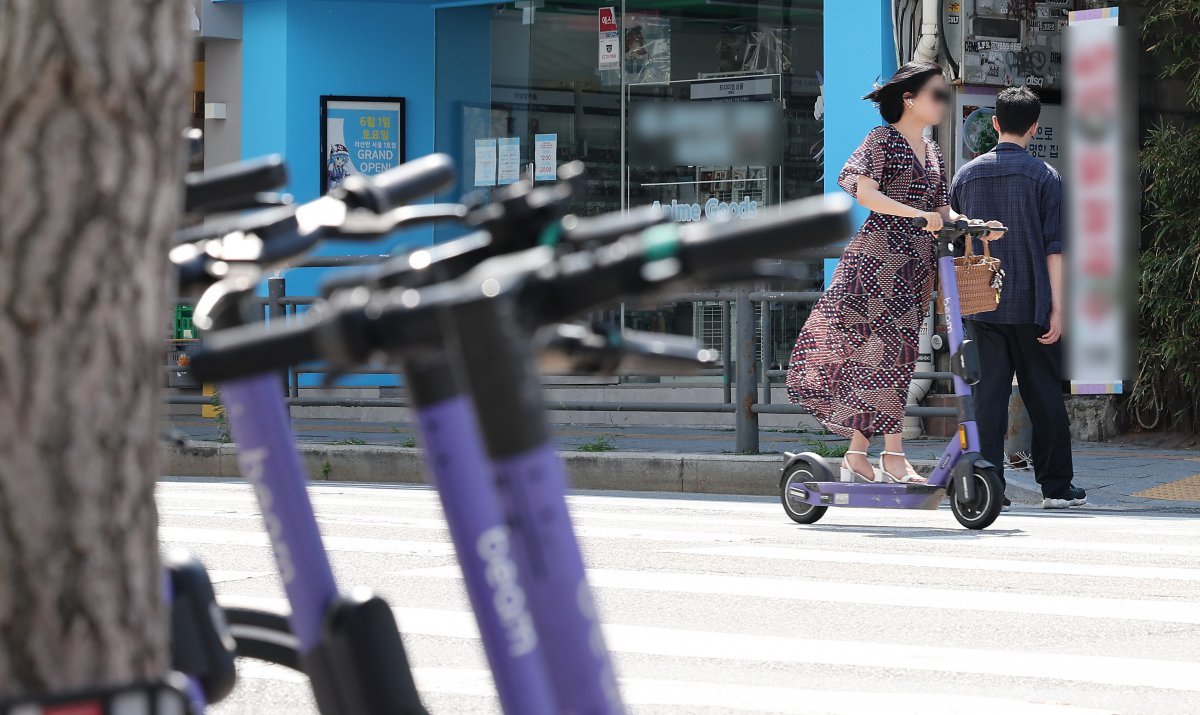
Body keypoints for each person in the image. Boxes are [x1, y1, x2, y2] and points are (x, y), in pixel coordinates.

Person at [787, 62, 995, 483]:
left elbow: (941, 208)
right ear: (909, 99)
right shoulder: (883, 139)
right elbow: (865, 192)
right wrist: (917, 215)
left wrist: (971, 223)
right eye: (937, 95)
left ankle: (857, 454)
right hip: (879, 262)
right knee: (890, 358)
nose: (942, 102)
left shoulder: (932, 150)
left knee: (884, 358)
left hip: (916, 264)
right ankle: (893, 455)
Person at [949, 86, 1086, 510]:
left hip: (982, 302)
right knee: (1043, 393)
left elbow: (956, 244)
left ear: (993, 124)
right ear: (1034, 127)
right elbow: (1054, 248)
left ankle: (992, 488)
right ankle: (1056, 487)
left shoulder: (965, 176)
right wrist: (1058, 308)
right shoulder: (1045, 176)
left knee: (988, 395)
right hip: (1033, 303)